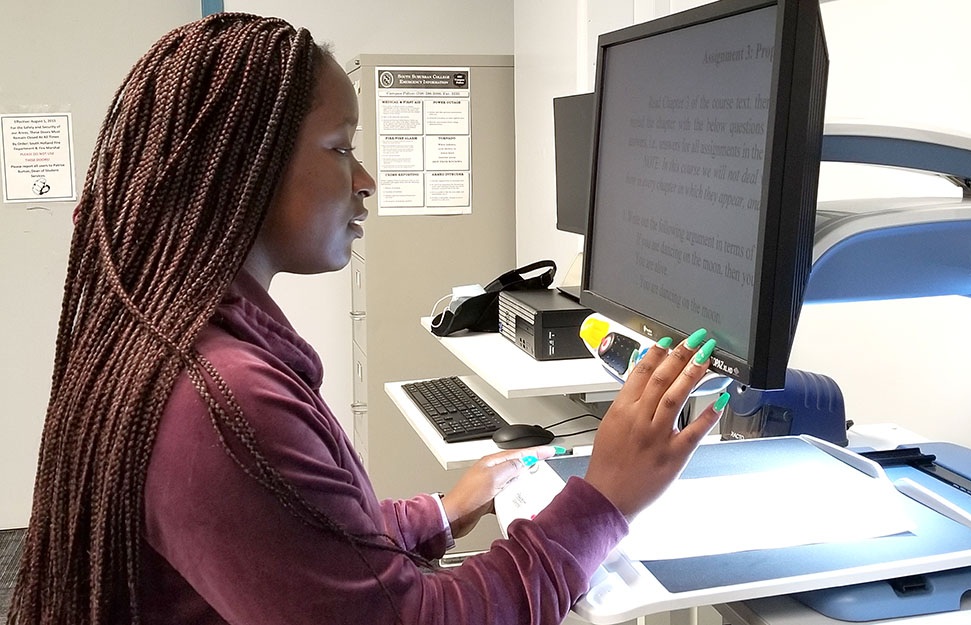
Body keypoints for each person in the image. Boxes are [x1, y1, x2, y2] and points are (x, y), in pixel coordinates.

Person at [9, 13, 725, 625]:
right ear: (241, 170)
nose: (366, 180)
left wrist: (437, 513)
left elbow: (295, 541)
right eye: (340, 146)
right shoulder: (222, 401)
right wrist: (603, 498)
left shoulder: (181, 342)